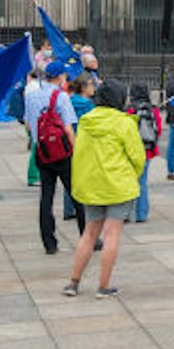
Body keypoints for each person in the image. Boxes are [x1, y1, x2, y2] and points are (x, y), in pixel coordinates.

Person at [63, 80, 145, 299]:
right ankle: (103, 286)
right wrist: (132, 175)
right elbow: (138, 157)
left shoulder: (86, 121)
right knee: (112, 234)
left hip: (92, 185)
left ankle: (73, 282)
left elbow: (79, 153)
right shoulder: (125, 123)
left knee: (89, 233)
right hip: (118, 184)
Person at [25, 63, 81, 254]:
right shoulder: (61, 96)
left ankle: (49, 243)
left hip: (42, 151)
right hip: (62, 152)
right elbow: (68, 128)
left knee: (46, 196)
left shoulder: (31, 95)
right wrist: (76, 150)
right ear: (59, 77)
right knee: (76, 194)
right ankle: (87, 235)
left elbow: (28, 125)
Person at [127, 82, 160, 222]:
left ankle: (128, 213)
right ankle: (141, 213)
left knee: (129, 181)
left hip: (132, 150)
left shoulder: (130, 110)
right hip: (147, 150)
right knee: (142, 182)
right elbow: (158, 129)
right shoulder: (153, 109)